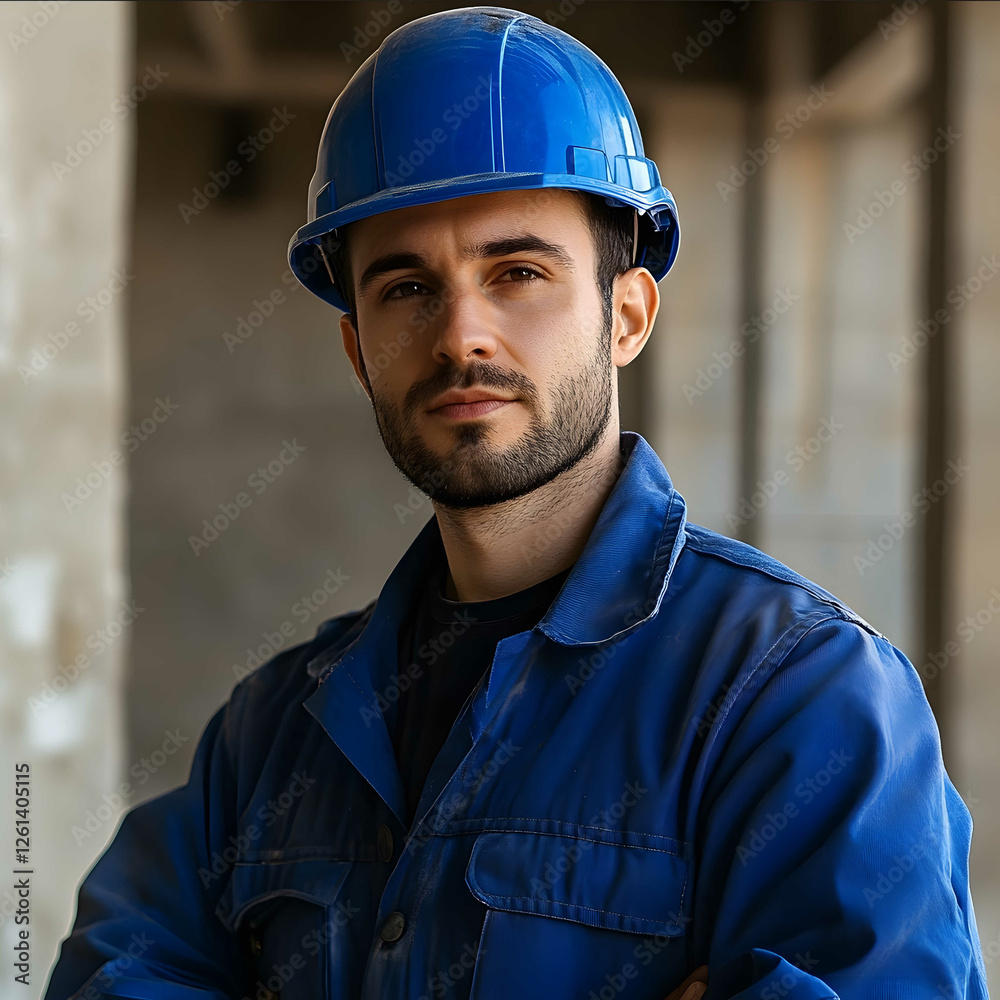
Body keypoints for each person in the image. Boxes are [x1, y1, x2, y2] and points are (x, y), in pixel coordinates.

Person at [45, 7, 988, 1000]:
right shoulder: (271, 733)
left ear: (625, 315)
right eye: (407, 287)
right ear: (359, 347)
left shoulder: (799, 699)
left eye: (518, 273)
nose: (463, 335)